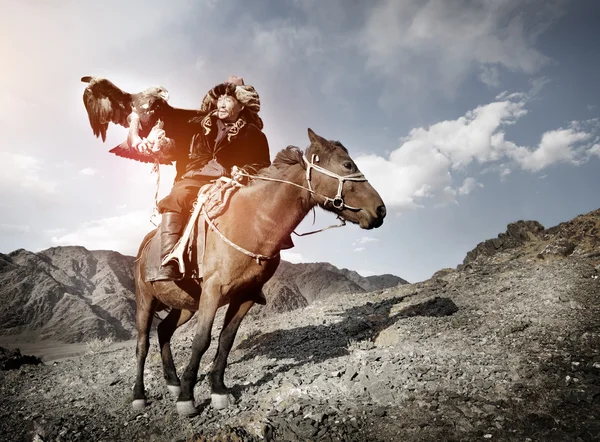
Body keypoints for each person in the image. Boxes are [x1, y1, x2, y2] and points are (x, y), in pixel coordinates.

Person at [151, 75, 271, 281]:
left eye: (229, 99)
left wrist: (244, 171)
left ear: (241, 105)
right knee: (179, 195)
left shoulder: (254, 134)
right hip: (195, 177)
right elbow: (177, 147)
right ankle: (169, 258)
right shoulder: (197, 123)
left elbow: (263, 165)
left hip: (232, 182)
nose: (222, 103)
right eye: (220, 98)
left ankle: (253, 277)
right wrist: (164, 145)